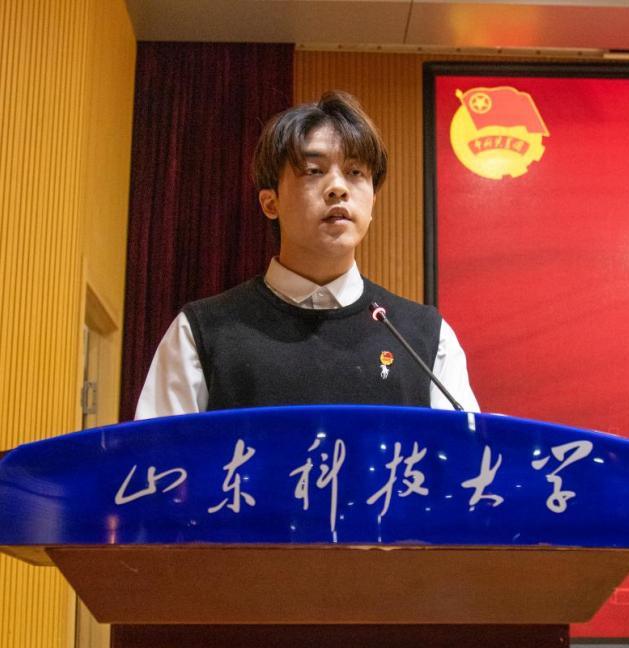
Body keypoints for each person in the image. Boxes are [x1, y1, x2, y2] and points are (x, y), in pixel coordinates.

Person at [135, 91, 479, 418]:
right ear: (270, 202)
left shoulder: (425, 337)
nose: (338, 188)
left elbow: (467, 454)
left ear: (373, 201)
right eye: (314, 171)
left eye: (355, 172)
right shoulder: (202, 331)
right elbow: (159, 457)